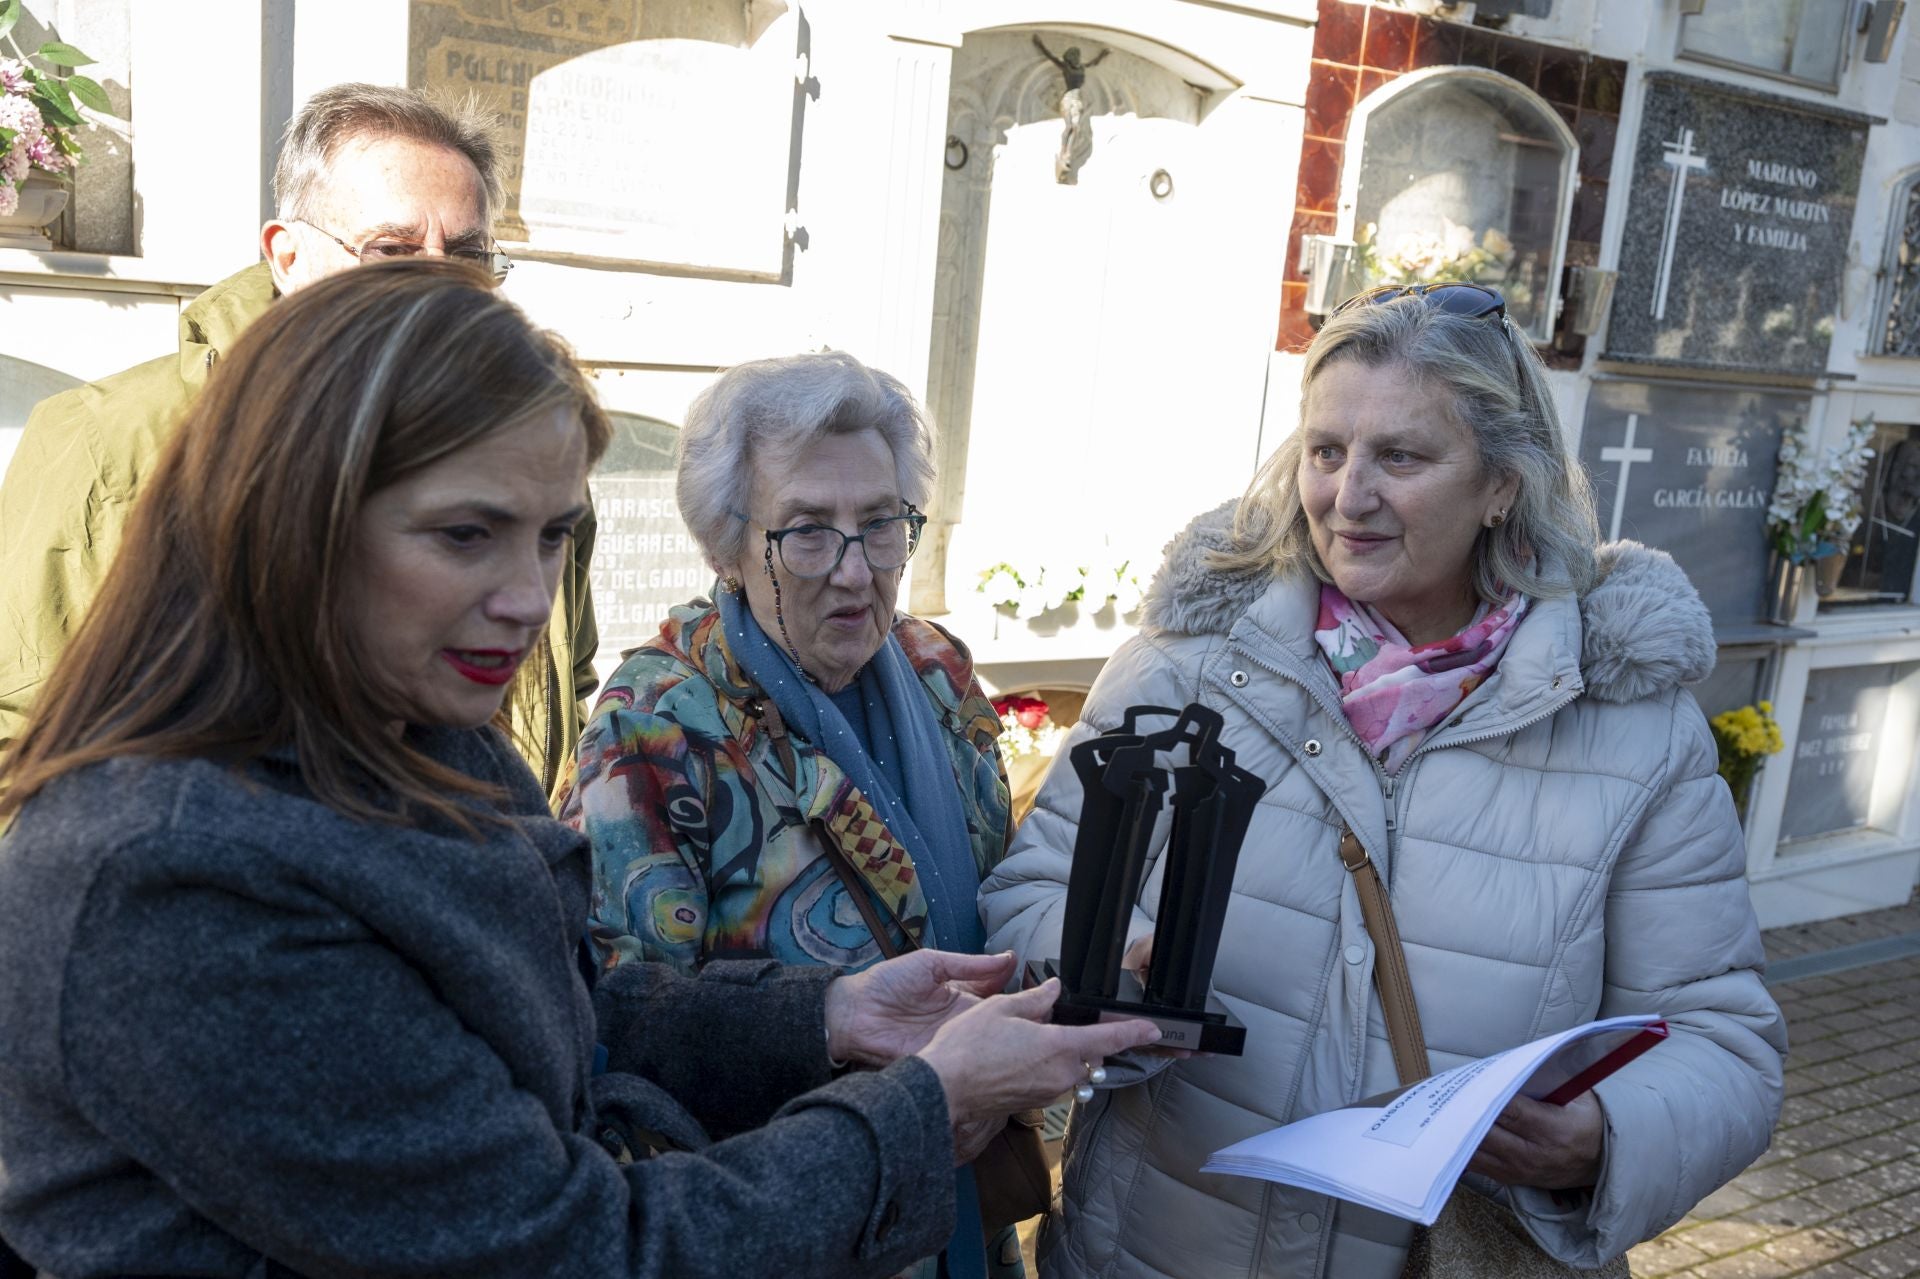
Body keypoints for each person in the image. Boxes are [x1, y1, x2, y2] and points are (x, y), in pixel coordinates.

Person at [0, 259, 1160, 1276]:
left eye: (554, 535)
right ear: (291, 517)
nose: (526, 598)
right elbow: (569, 1247)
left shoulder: (420, 741)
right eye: (467, 533)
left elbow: (565, 1011)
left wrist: (830, 1016)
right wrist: (922, 1109)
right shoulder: (175, 877)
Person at [980, 283, 1788, 1278]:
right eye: (1327, 451)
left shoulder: (1631, 727)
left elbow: (1724, 1041)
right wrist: (1107, 967)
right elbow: (1028, 896)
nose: (1347, 496)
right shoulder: (1188, 665)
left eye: (1400, 456)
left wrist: (1604, 1138)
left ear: (1502, 484)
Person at [0, 82, 598, 802]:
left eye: (467, 255)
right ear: (287, 256)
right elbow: (23, 731)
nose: (438, 283)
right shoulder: (105, 438)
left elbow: (565, 682)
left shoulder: (528, 457)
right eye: (391, 248)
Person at [567, 351, 1031, 1278]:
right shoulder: (654, 728)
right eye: (808, 532)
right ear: (725, 545)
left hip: (964, 1191)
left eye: (881, 524)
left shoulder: (938, 673)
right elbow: (625, 1035)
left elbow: (1001, 893)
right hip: (789, 1223)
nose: (856, 573)